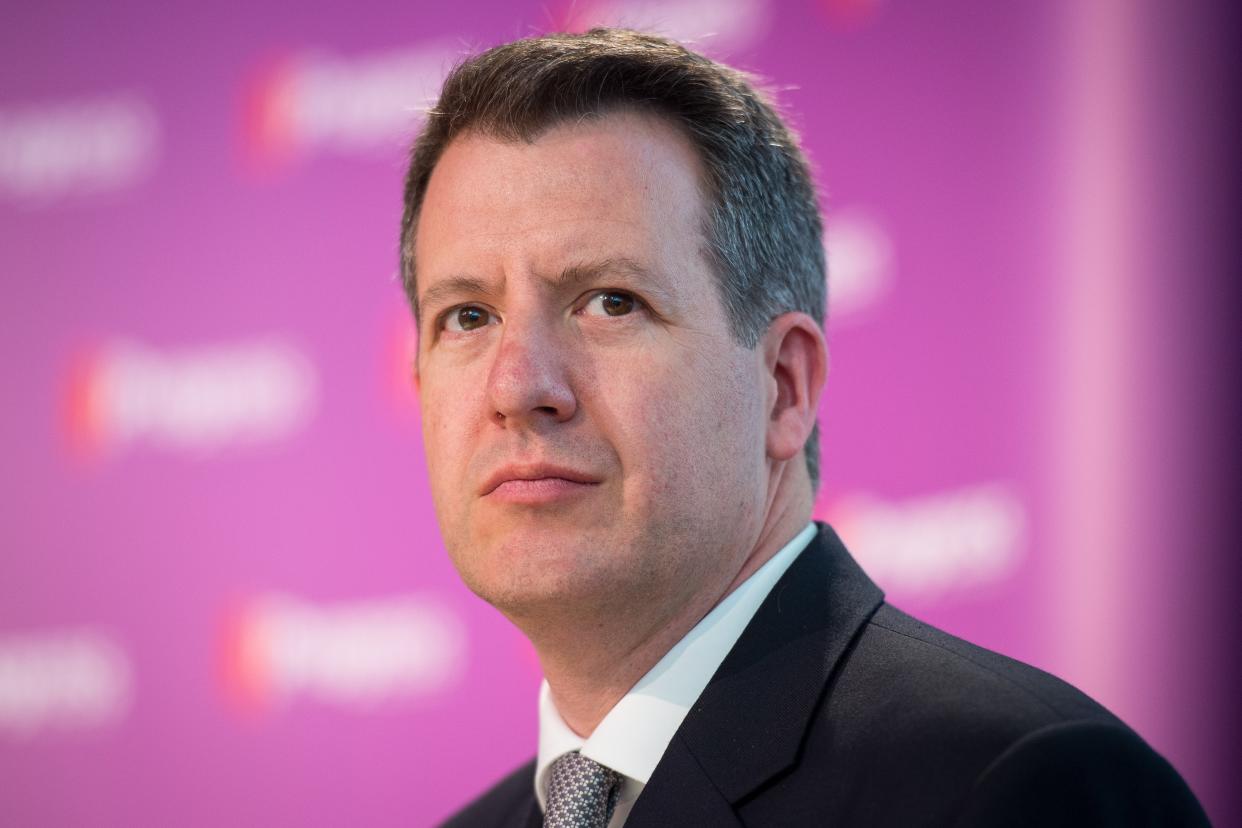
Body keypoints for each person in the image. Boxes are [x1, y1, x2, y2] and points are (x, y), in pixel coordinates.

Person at [398, 27, 1208, 828]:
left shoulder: (1018, 788)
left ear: (785, 386)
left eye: (612, 302)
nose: (518, 385)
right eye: (467, 316)